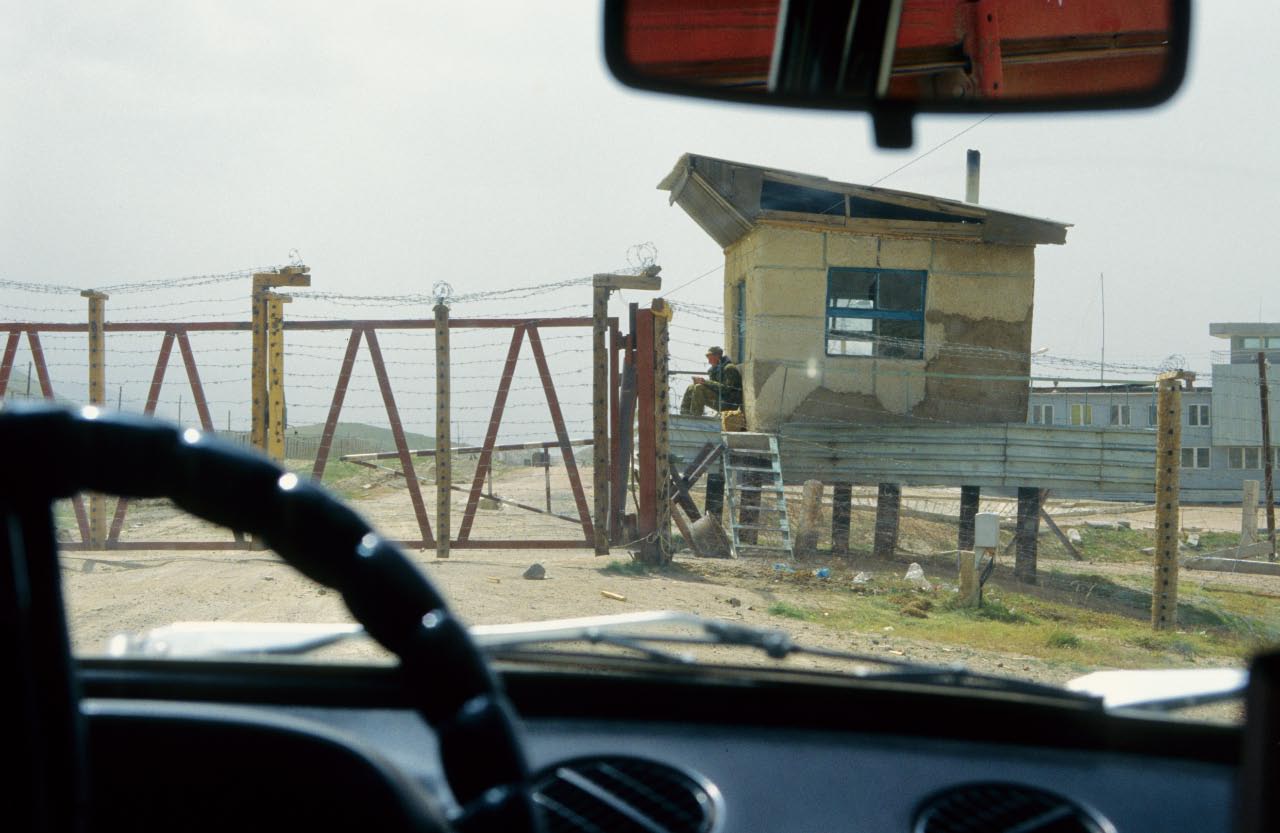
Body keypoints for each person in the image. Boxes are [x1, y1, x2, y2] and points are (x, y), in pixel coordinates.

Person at [680, 346, 742, 415]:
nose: (709, 362)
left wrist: (705, 382)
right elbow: (713, 388)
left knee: (699, 388)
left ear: (717, 356)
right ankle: (684, 415)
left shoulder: (729, 368)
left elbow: (726, 389)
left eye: (710, 358)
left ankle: (695, 416)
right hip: (719, 399)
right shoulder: (714, 370)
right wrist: (702, 382)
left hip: (729, 403)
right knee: (691, 387)